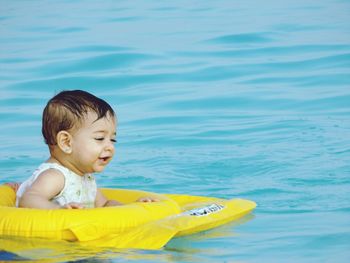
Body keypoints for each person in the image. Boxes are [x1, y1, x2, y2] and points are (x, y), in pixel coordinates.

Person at [15, 90, 157, 209]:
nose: (110, 146)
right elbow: (28, 199)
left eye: (113, 139)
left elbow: (105, 205)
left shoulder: (86, 178)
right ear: (66, 142)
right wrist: (59, 211)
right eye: (100, 138)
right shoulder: (55, 176)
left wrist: (131, 207)